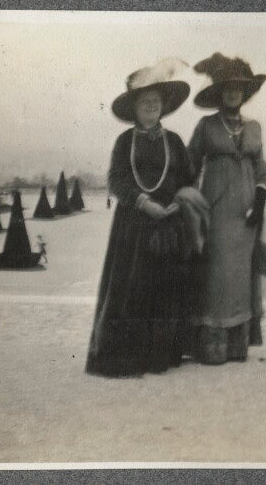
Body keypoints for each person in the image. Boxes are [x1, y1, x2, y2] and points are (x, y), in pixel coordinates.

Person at [86, 59, 201, 377]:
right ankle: (129, 355)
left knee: (165, 288)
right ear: (134, 109)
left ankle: (161, 355)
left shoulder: (174, 141)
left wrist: (179, 202)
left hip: (169, 223)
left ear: (163, 107)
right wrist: (142, 202)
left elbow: (190, 178)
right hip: (133, 226)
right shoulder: (125, 142)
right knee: (132, 287)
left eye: (156, 101)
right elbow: (116, 179)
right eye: (145, 101)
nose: (151, 105)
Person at [186, 52, 266, 364]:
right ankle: (212, 346)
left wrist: (259, 201)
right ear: (219, 92)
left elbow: (260, 168)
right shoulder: (207, 126)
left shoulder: (254, 127)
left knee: (241, 274)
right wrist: (188, 201)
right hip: (217, 207)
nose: (233, 93)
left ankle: (237, 346)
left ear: (244, 93)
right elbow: (191, 164)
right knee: (216, 272)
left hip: (247, 210)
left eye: (239, 88)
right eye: (228, 88)